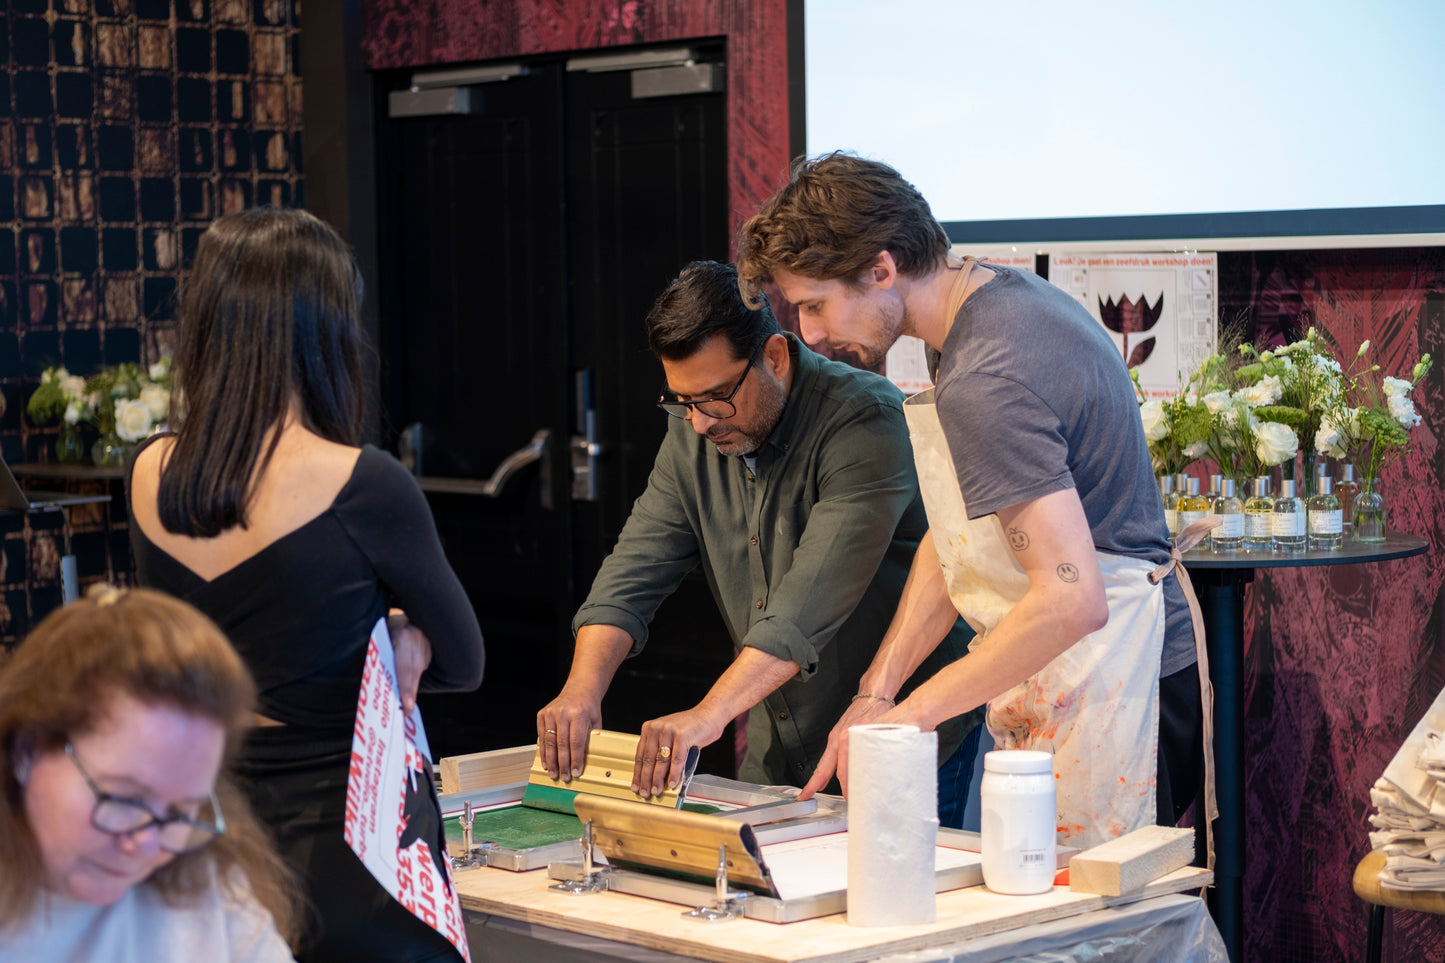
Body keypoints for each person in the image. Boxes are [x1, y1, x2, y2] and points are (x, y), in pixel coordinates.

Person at [736, 153, 1209, 849]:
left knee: (1090, 933)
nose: (808, 334)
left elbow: (1072, 599)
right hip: (1063, 665)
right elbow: (958, 537)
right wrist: (879, 687)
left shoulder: (988, 369)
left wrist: (910, 715)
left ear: (880, 267)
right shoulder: (975, 313)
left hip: (1119, 675)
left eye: (814, 303)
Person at [126, 207, 485, 962]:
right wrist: (400, 629)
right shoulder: (363, 482)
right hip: (348, 852)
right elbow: (462, 661)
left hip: (208, 842)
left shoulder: (149, 473)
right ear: (324, 328)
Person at [536, 260, 979, 823]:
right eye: (682, 401)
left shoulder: (865, 420)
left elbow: (803, 610)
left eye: (716, 397)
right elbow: (634, 569)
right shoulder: (695, 428)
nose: (699, 422)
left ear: (773, 356)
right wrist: (581, 691)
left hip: (900, 736)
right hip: (780, 734)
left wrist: (708, 713)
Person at [0, 586, 299, 961]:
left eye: (178, 813)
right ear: (27, 750)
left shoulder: (204, 881)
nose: (145, 845)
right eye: (124, 798)